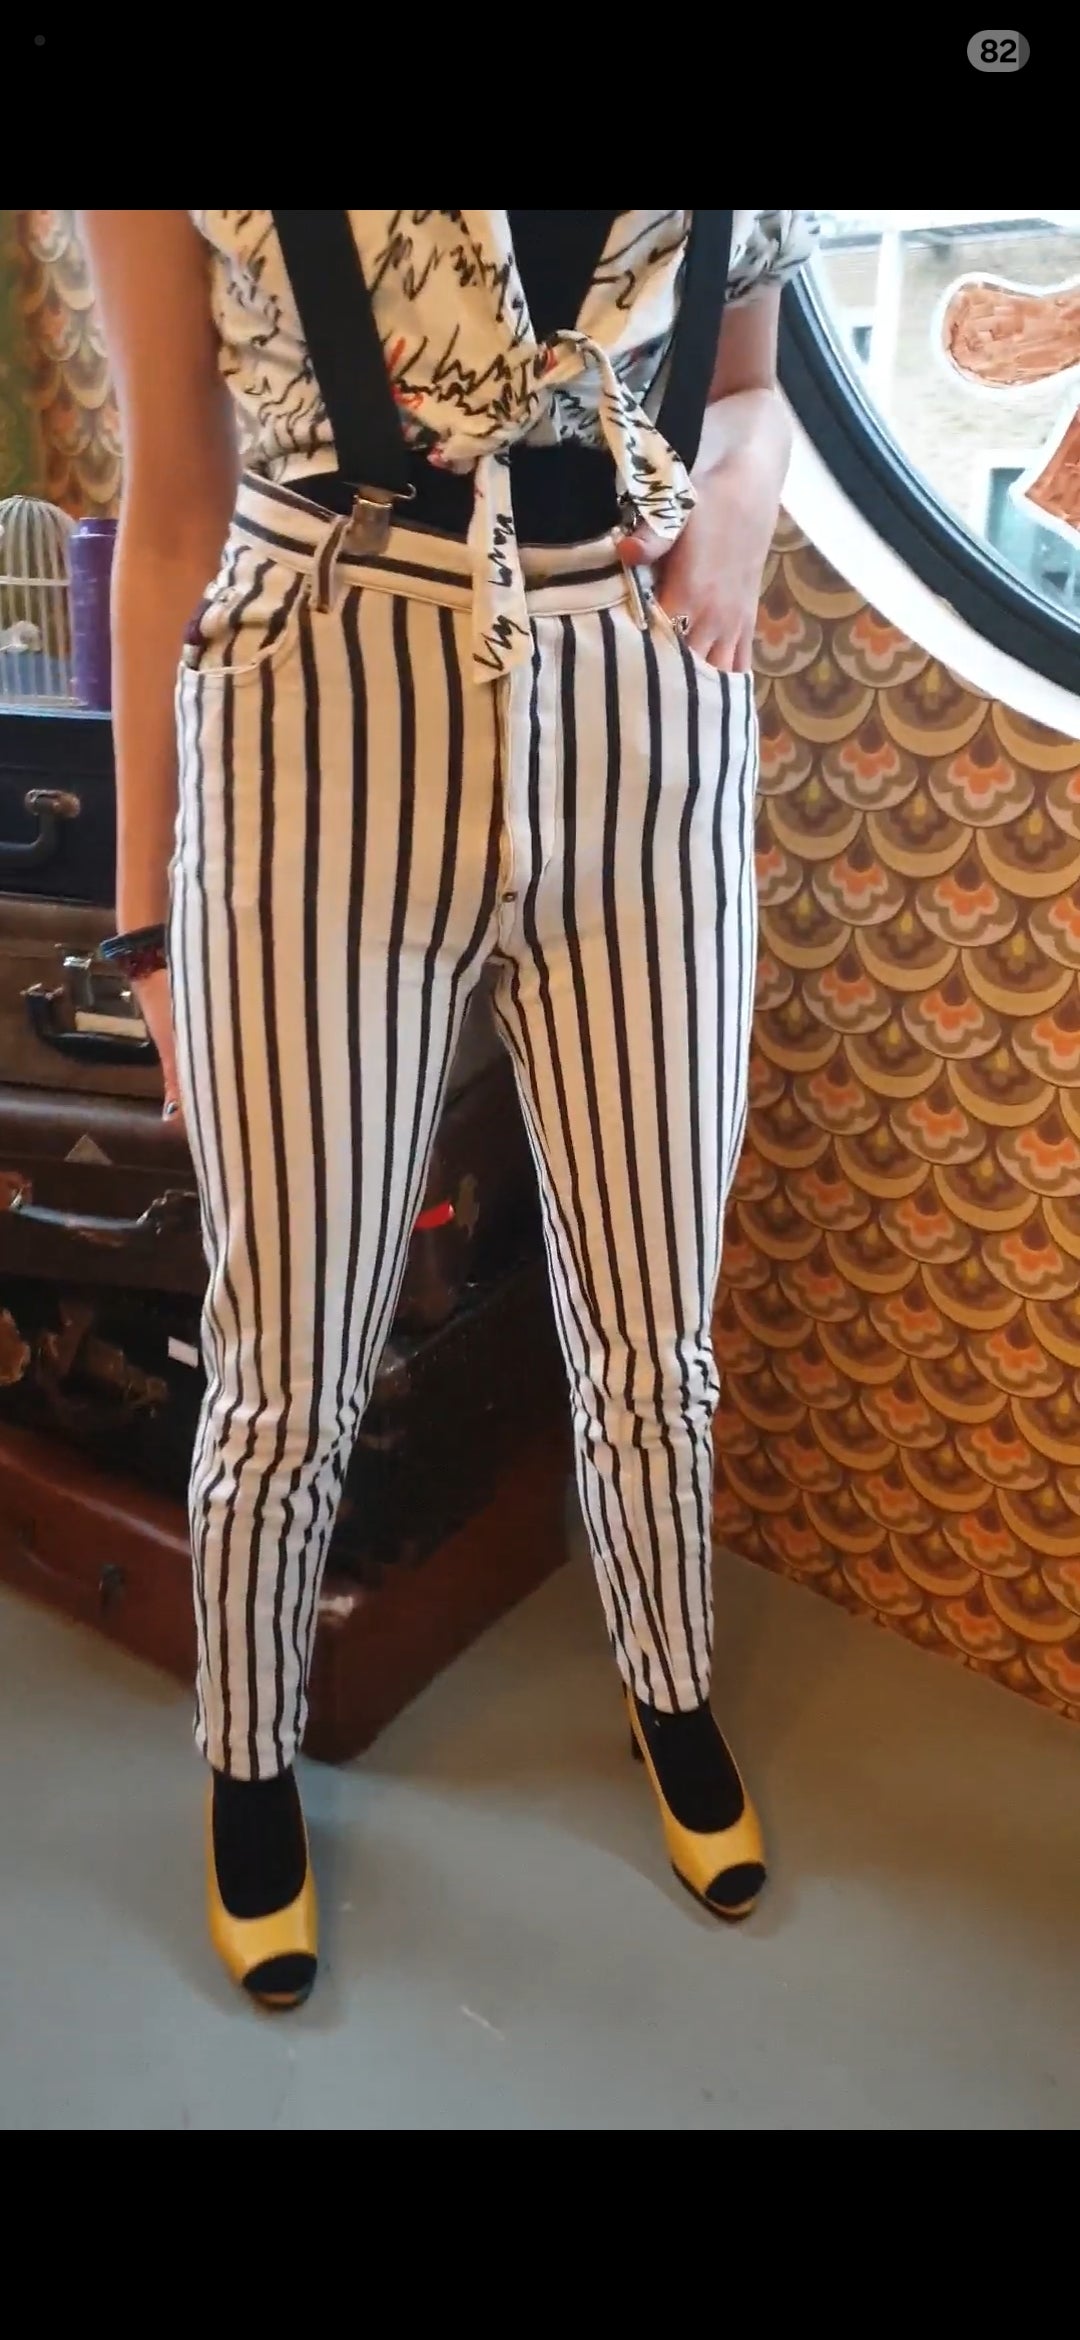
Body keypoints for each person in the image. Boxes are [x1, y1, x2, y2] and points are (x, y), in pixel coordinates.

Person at [82, 208, 816, 2012]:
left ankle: (670, 1683)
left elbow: (748, 386)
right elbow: (173, 498)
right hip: (317, 706)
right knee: (292, 1336)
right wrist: (146, 920)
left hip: (647, 714)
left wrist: (740, 497)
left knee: (653, 1308)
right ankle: (250, 1749)